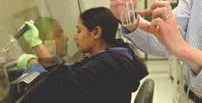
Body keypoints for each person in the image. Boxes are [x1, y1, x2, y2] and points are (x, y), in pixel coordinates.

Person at [12, 7, 148, 103]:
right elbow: (71, 75)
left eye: (79, 30)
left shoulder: (105, 65)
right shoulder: (115, 56)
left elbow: (54, 88)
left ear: (96, 32)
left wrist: (33, 63)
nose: (74, 37)